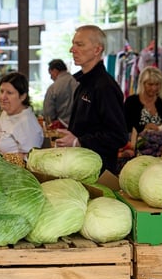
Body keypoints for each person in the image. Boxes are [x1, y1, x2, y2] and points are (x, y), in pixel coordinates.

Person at [54, 25, 128, 174]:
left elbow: (118, 136)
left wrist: (78, 141)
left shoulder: (104, 87)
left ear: (97, 50)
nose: (72, 49)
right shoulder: (84, 83)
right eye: (73, 43)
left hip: (98, 173)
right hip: (80, 167)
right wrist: (70, 137)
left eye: (79, 44)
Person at [0, 72, 44, 154]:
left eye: (9, 93)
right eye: (1, 91)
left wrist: (1, 158)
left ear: (23, 96)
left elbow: (29, 158)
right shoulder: (5, 112)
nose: (3, 97)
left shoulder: (28, 124)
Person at [123, 66, 162, 137]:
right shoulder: (131, 102)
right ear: (142, 83)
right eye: (150, 84)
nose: (154, 88)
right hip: (137, 145)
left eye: (157, 84)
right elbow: (125, 127)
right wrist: (144, 128)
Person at [43, 59, 79, 127]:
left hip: (61, 126)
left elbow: (48, 113)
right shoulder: (78, 82)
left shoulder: (53, 88)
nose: (51, 77)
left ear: (55, 71)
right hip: (80, 126)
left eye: (50, 73)